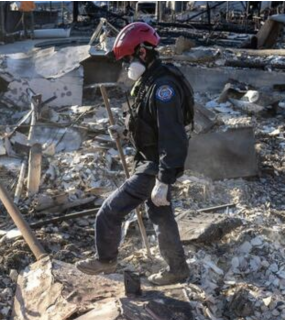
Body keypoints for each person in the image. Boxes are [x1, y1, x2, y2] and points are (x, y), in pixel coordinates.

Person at [76, 22, 195, 285]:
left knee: (109, 211)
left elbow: (171, 136)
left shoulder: (164, 88)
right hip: (151, 163)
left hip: (153, 167)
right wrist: (123, 132)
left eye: (128, 58)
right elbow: (148, 125)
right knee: (162, 218)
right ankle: (178, 269)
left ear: (143, 52)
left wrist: (163, 180)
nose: (125, 66)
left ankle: (106, 260)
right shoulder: (149, 81)